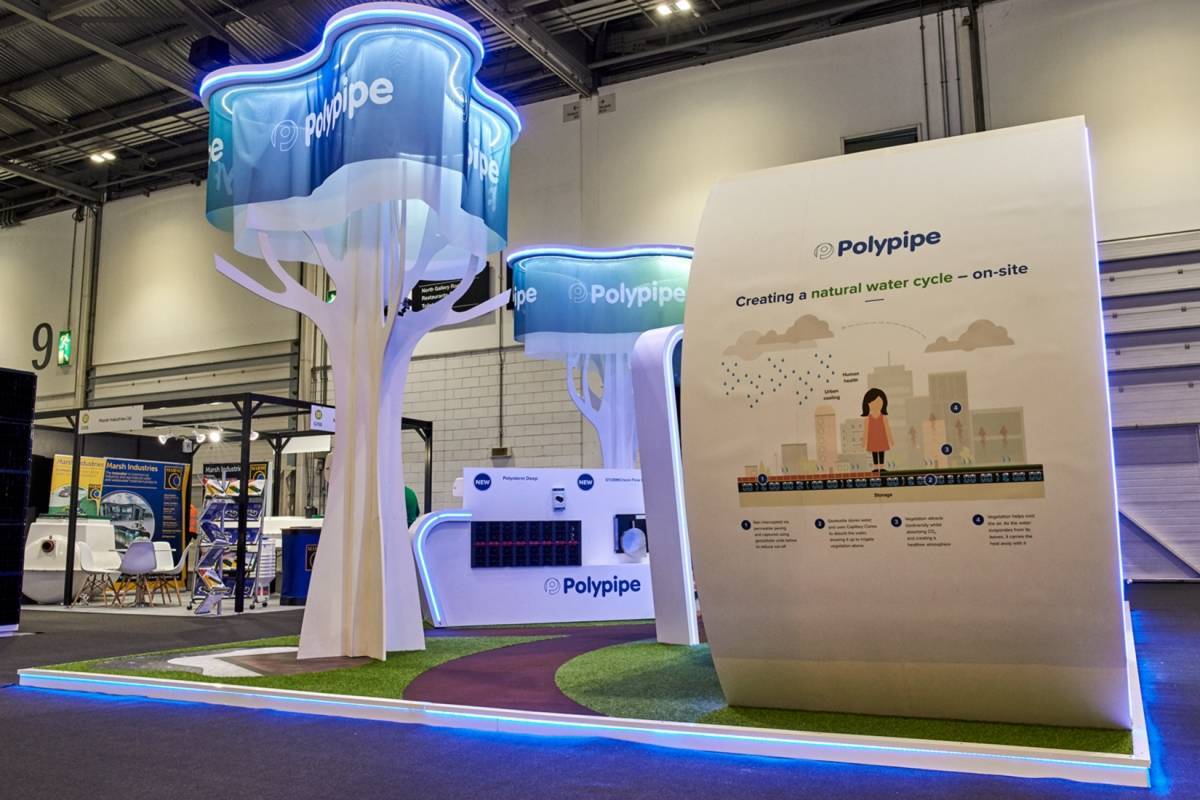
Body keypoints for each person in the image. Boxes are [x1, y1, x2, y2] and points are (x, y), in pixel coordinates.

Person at [861, 387, 893, 471]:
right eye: (873, 402)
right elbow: (866, 431)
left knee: (881, 452)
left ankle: (881, 467)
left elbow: (887, 429)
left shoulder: (883, 418)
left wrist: (891, 440)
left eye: (878, 402)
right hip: (873, 440)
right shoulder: (868, 419)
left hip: (882, 439)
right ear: (868, 404)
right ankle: (875, 467)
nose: (876, 404)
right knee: (874, 453)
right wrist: (864, 442)